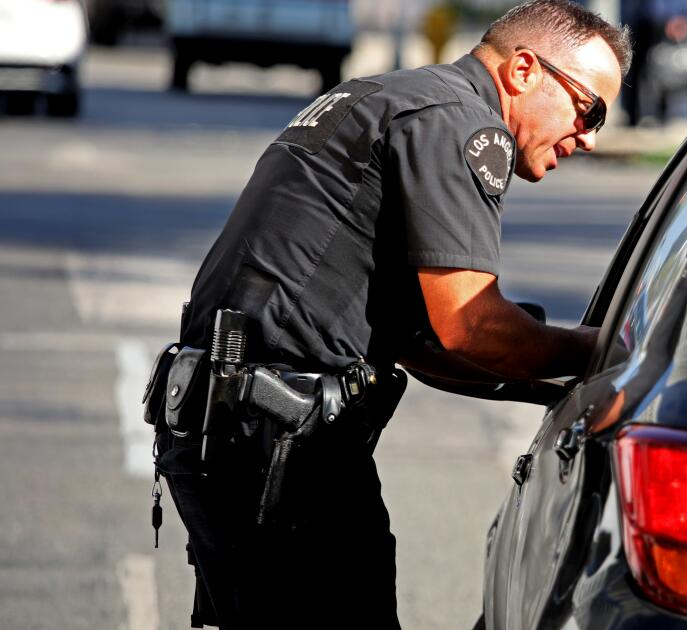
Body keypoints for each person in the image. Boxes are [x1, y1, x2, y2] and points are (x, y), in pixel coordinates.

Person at [148, 1, 631, 627]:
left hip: (237, 435)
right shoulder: (462, 124)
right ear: (522, 71)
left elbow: (421, 343)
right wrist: (609, 350)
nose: (590, 137)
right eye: (588, 109)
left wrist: (550, 389)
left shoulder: (395, 96)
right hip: (278, 450)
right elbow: (472, 325)